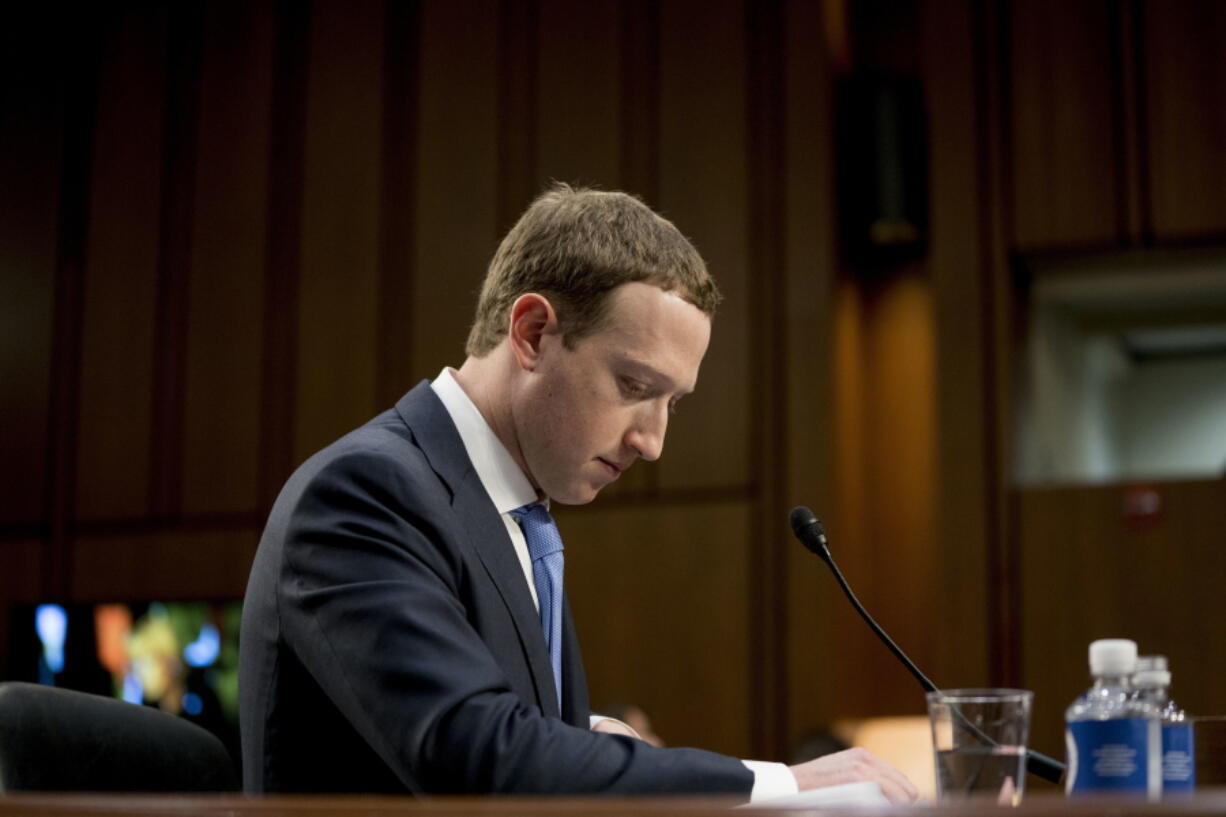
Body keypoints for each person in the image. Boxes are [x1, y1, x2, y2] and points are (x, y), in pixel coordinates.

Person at [239, 184, 918, 802]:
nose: (651, 441)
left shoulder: (515, 511)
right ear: (533, 332)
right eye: (635, 387)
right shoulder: (365, 492)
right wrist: (779, 783)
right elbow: (477, 756)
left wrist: (590, 735)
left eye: (672, 404)